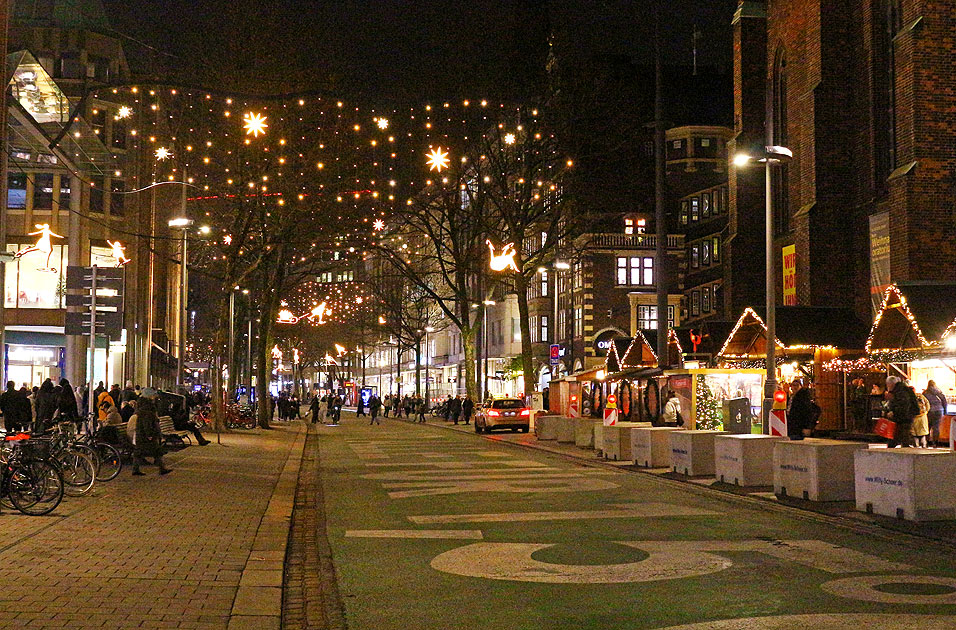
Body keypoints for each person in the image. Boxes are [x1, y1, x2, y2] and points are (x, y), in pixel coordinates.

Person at [128, 395, 172, 475]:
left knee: (139, 452)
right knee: (156, 451)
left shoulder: (140, 412)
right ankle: (162, 468)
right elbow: (147, 425)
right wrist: (149, 434)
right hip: (146, 436)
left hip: (140, 435)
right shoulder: (147, 412)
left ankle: (136, 469)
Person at [885, 376, 917, 448]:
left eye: (888, 385)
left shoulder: (900, 391)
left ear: (891, 384)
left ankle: (893, 448)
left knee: (899, 434)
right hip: (906, 416)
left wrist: (894, 412)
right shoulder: (902, 389)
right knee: (903, 436)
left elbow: (903, 404)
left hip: (904, 417)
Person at [923, 380, 947, 447]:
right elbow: (944, 402)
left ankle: (927, 442)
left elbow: (923, 402)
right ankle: (935, 442)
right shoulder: (939, 392)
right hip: (938, 411)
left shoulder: (925, 393)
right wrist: (945, 411)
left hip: (929, 411)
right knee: (936, 427)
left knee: (928, 426)